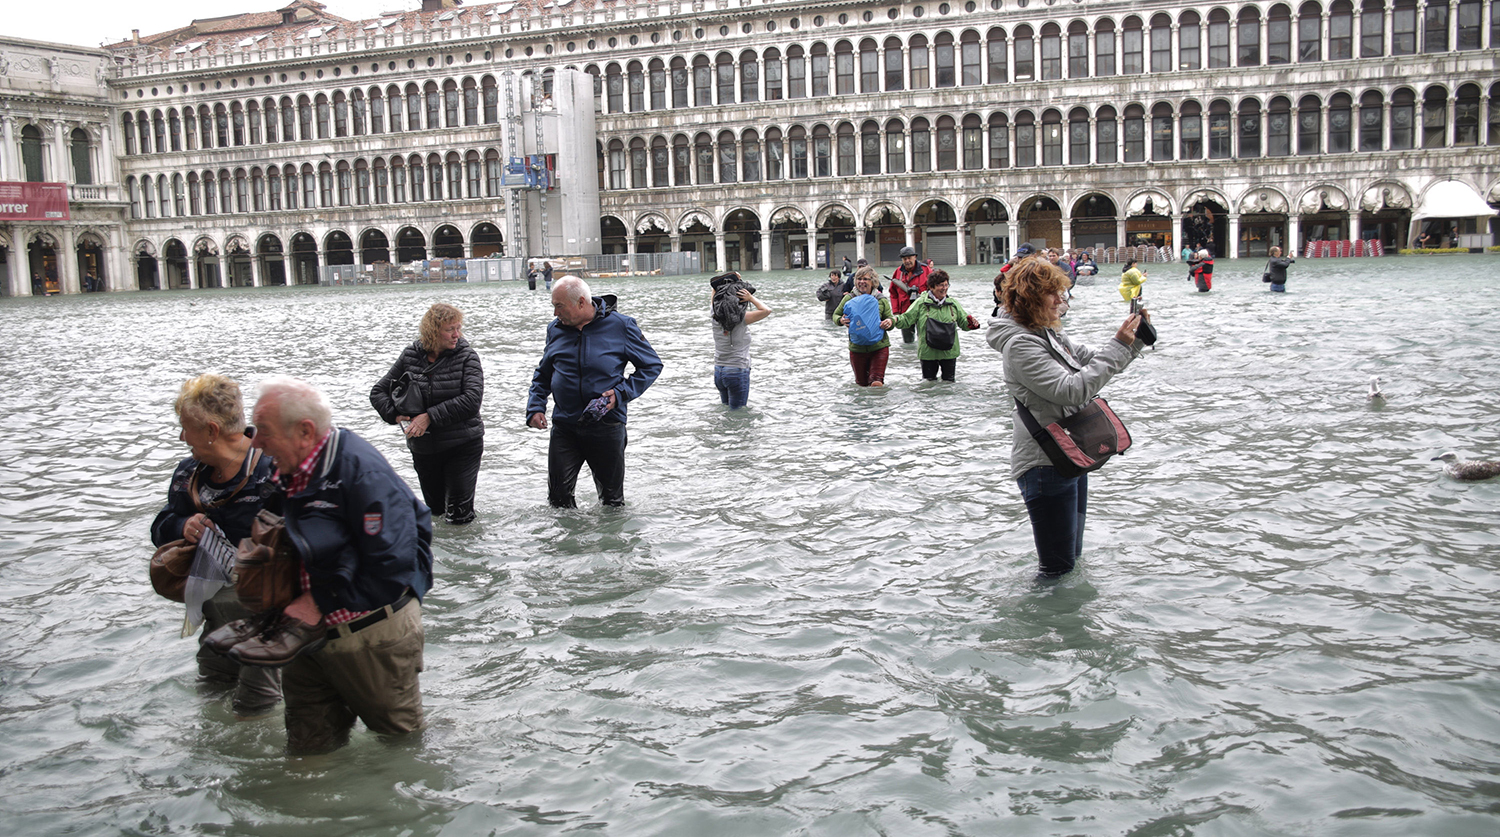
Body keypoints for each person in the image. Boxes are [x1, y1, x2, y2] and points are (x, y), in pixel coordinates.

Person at [233, 377, 433, 753]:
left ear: (305, 432)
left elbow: (393, 567)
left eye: (264, 432)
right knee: (307, 750)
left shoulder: (361, 473)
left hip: (371, 636)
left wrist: (319, 601)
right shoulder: (289, 467)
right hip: (305, 636)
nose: (255, 442)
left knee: (400, 747)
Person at [987, 260, 1149, 578]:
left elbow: (1091, 361)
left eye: (1063, 293)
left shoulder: (1045, 333)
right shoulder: (1020, 344)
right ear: (1032, 299)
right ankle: (1037, 624)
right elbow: (1072, 390)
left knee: (1070, 561)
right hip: (1043, 463)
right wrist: (1120, 346)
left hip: (1067, 453)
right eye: (1055, 294)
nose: (1063, 301)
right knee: (1057, 569)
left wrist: (1135, 338)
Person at [151, 374, 282, 718]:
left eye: (185, 427)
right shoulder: (187, 474)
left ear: (211, 430)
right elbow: (160, 527)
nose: (181, 436)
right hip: (216, 618)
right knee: (211, 693)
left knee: (255, 710)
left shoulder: (273, 468)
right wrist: (183, 524)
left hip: (268, 624)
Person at [528, 276, 664, 507]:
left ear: (581, 302)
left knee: (611, 502)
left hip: (607, 425)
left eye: (559, 306)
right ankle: (567, 541)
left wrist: (621, 393)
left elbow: (651, 366)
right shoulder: (555, 329)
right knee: (558, 500)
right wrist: (535, 407)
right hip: (565, 426)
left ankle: (610, 542)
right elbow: (543, 373)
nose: (554, 313)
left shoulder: (622, 326)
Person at [370, 303, 485, 525]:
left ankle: (465, 553)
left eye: (458, 328)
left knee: (459, 516)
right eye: (450, 329)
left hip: (462, 445)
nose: (456, 335)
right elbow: (377, 392)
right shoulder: (411, 355)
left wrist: (429, 416)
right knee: (436, 513)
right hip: (425, 448)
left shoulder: (467, 356)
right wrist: (396, 416)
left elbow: (472, 401)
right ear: (433, 331)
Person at [890, 269, 981, 382]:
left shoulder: (953, 303)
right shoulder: (921, 303)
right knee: (928, 385)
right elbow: (906, 319)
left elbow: (964, 323)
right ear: (931, 287)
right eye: (940, 285)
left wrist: (971, 324)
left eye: (946, 285)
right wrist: (893, 320)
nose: (944, 288)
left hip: (949, 353)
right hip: (928, 353)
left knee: (949, 384)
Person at [709, 272, 771, 409]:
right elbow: (766, 310)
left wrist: (721, 284)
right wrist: (751, 298)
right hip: (736, 371)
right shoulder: (742, 318)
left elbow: (714, 293)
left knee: (726, 409)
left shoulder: (714, 315)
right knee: (737, 413)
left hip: (719, 371)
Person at [832, 267, 896, 387]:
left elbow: (890, 319)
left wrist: (889, 322)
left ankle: (879, 405)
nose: (862, 282)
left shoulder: (880, 299)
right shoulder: (849, 298)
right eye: (859, 279)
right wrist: (840, 320)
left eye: (865, 279)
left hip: (879, 347)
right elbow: (835, 315)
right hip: (857, 348)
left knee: (876, 382)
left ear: (873, 282)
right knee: (861, 385)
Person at [889, 245, 934, 344]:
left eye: (909, 258)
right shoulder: (897, 272)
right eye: (904, 259)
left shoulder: (926, 270)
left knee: (925, 341)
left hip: (923, 312)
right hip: (905, 313)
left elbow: (934, 290)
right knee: (907, 342)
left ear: (915, 257)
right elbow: (893, 293)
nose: (907, 261)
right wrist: (896, 311)